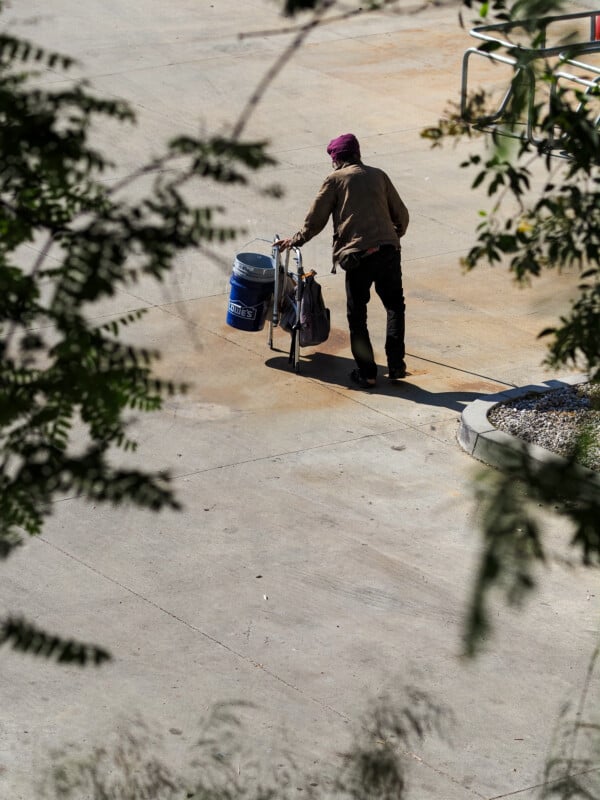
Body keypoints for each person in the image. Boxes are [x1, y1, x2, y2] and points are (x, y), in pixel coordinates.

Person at [276, 133, 409, 389]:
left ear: (336, 159)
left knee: (357, 315)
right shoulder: (379, 175)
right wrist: (393, 236)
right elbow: (401, 215)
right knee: (395, 307)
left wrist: (295, 240)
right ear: (357, 153)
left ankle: (368, 373)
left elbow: (316, 219)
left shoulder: (335, 180)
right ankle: (396, 365)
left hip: (358, 256)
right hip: (389, 252)